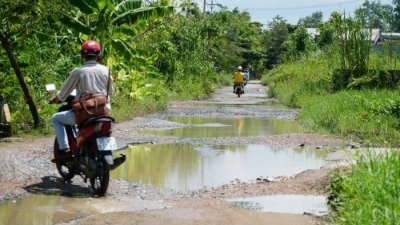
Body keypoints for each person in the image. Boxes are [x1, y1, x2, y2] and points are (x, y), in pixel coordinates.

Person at [49, 40, 114, 155]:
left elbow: (63, 94)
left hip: (84, 113)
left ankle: (65, 148)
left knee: (56, 118)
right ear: (98, 55)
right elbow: (110, 91)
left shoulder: (78, 72)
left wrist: (56, 99)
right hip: (104, 112)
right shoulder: (106, 71)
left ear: (83, 56)